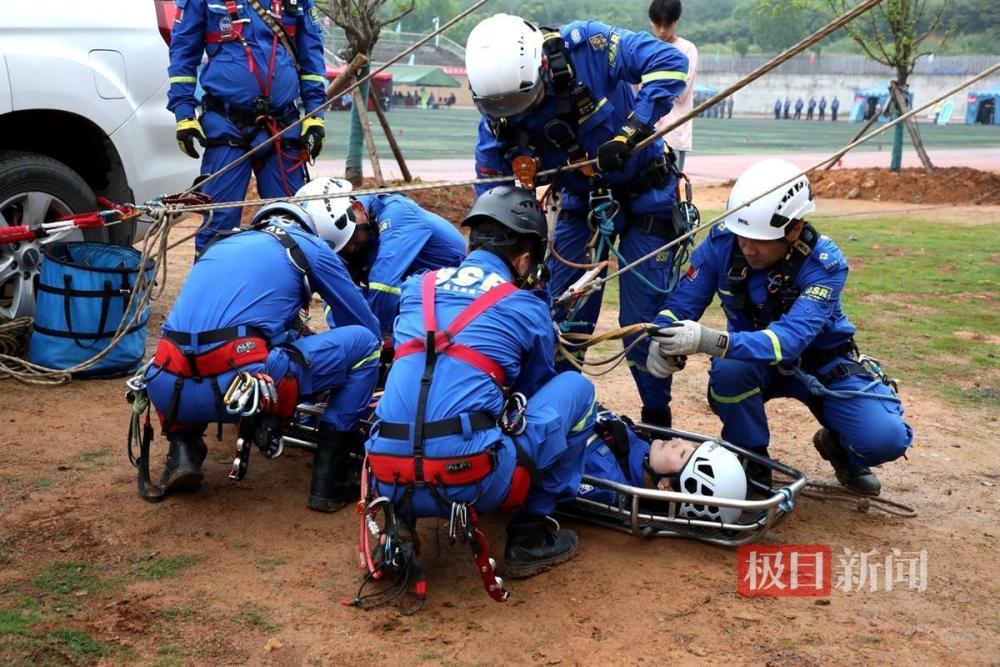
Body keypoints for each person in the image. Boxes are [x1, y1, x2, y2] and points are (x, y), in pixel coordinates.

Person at [467, 13, 689, 430]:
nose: (515, 114)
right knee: (561, 321)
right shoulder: (499, 113)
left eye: (523, 101)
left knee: (640, 325)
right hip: (581, 203)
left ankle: (657, 419)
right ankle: (559, 420)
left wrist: (631, 131)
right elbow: (490, 194)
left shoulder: (587, 46)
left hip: (647, 195)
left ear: (542, 67)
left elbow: (669, 64)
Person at [366, 186, 598, 578]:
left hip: (387, 474)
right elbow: (533, 389)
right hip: (472, 482)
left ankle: (397, 527)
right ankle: (529, 536)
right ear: (524, 259)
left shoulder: (415, 288)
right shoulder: (525, 305)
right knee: (578, 390)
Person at [645, 159, 913, 496]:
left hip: (824, 365)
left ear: (795, 228)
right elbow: (681, 305)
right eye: (742, 236)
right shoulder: (723, 243)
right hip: (752, 365)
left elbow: (788, 341)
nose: (747, 247)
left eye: (760, 240)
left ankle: (839, 447)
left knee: (885, 439)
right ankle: (751, 457)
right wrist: (662, 336)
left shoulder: (825, 265)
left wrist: (709, 340)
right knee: (730, 371)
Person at [143, 200, 382, 510]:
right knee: (364, 345)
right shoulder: (306, 245)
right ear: (306, 226)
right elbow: (365, 326)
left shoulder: (220, 245)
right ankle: (331, 480)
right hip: (244, 387)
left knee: (198, 347)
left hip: (167, 388)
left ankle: (184, 449)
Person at [168, 0, 329, 255]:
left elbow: (312, 56)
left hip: (282, 126)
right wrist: (184, 114)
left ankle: (282, 293)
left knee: (289, 223)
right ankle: (212, 291)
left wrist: (315, 115)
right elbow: (182, 54)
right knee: (218, 224)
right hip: (227, 125)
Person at [295, 177, 467, 338]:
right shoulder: (348, 235)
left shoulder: (398, 213)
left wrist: (378, 337)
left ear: (358, 208)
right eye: (343, 246)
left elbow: (384, 284)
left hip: (456, 295)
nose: (351, 249)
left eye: (352, 239)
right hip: (415, 294)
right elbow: (336, 292)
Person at [576, 410, 747, 523]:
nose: (678, 441)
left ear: (665, 486)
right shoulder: (640, 443)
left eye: (682, 454)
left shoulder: (607, 482)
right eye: (691, 446)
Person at [649, 0, 698, 173]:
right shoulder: (646, 48)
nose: (662, 30)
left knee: (670, 187)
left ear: (676, 21)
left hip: (674, 133)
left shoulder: (687, 50)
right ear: (651, 22)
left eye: (667, 24)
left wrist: (651, 86)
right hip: (645, 133)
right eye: (657, 24)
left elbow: (681, 93)